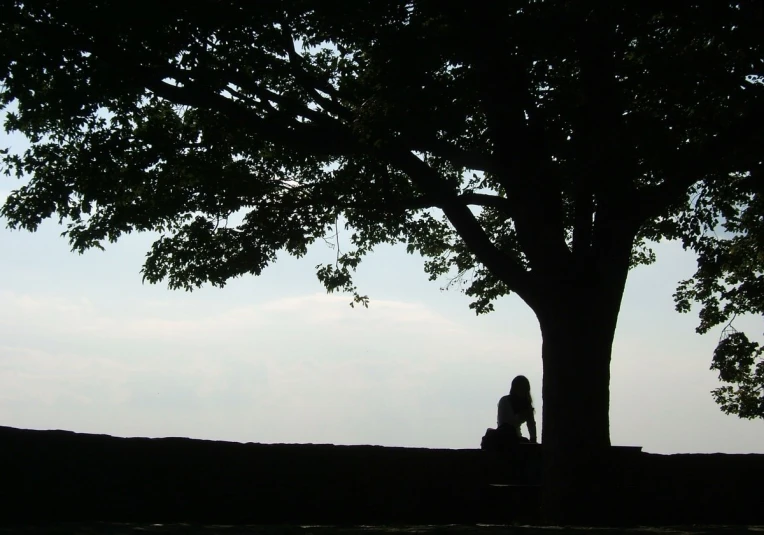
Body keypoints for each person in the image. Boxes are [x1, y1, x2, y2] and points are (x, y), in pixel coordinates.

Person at [497, 375, 537, 443]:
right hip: (504, 437)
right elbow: (504, 424)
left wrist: (533, 439)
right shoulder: (504, 401)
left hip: (515, 438)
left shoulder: (525, 405)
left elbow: (531, 425)